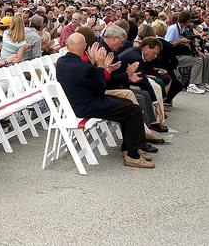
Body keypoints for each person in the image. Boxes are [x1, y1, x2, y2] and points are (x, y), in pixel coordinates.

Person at [56, 33, 153, 169]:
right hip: (87, 105)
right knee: (134, 110)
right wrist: (101, 66)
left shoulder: (62, 62)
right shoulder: (83, 67)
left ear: (68, 45)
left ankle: (131, 148)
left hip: (80, 101)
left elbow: (86, 79)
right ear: (84, 46)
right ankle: (132, 155)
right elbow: (101, 87)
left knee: (128, 105)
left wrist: (94, 64)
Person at [164, 11, 209, 94]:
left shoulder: (183, 28)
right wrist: (180, 41)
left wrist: (197, 51)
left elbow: (189, 41)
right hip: (173, 57)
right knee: (198, 60)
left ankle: (203, 82)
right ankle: (192, 84)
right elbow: (166, 45)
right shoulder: (173, 29)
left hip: (181, 53)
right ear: (187, 21)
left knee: (205, 56)